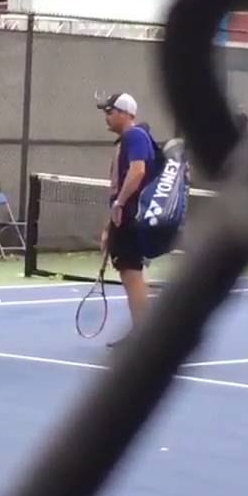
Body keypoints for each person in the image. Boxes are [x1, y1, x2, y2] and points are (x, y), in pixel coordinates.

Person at [98, 92, 154, 345]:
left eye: (110, 112)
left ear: (123, 113)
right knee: (130, 274)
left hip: (132, 217)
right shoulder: (128, 139)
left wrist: (120, 203)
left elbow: (138, 170)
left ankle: (145, 336)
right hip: (125, 218)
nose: (106, 117)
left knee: (132, 274)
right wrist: (109, 227)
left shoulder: (135, 136)